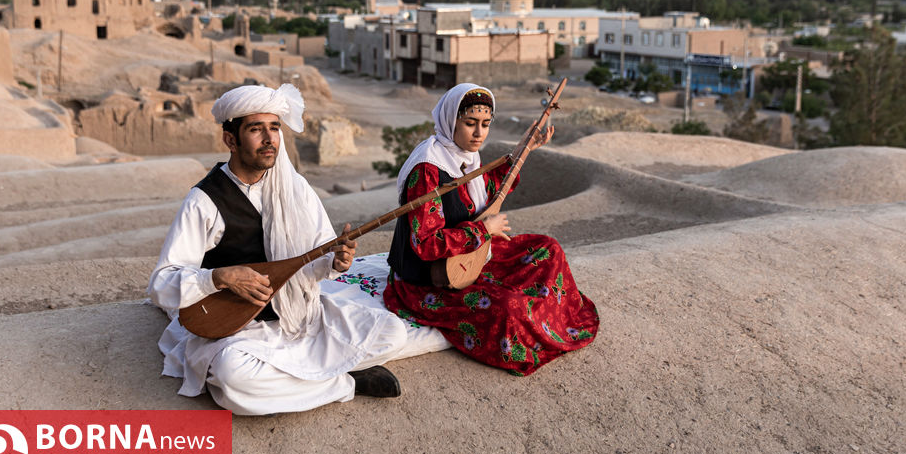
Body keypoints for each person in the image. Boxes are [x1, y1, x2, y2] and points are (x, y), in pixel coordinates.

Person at [148, 84, 408, 415]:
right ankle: (347, 383)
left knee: (392, 333)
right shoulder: (204, 201)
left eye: (274, 128)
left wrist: (336, 261)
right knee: (234, 380)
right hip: (241, 330)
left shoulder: (294, 186)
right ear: (231, 140)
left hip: (300, 317)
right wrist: (218, 278)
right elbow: (162, 283)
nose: (270, 139)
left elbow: (316, 260)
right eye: (256, 129)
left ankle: (299, 380)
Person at [383, 83, 599, 375]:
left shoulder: (466, 157)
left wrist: (524, 149)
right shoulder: (428, 169)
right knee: (510, 309)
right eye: (470, 123)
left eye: (485, 124)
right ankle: (531, 327)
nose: (479, 133)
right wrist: (483, 231)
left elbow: (488, 192)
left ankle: (551, 322)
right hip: (428, 279)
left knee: (548, 250)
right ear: (450, 121)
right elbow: (426, 243)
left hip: (469, 257)